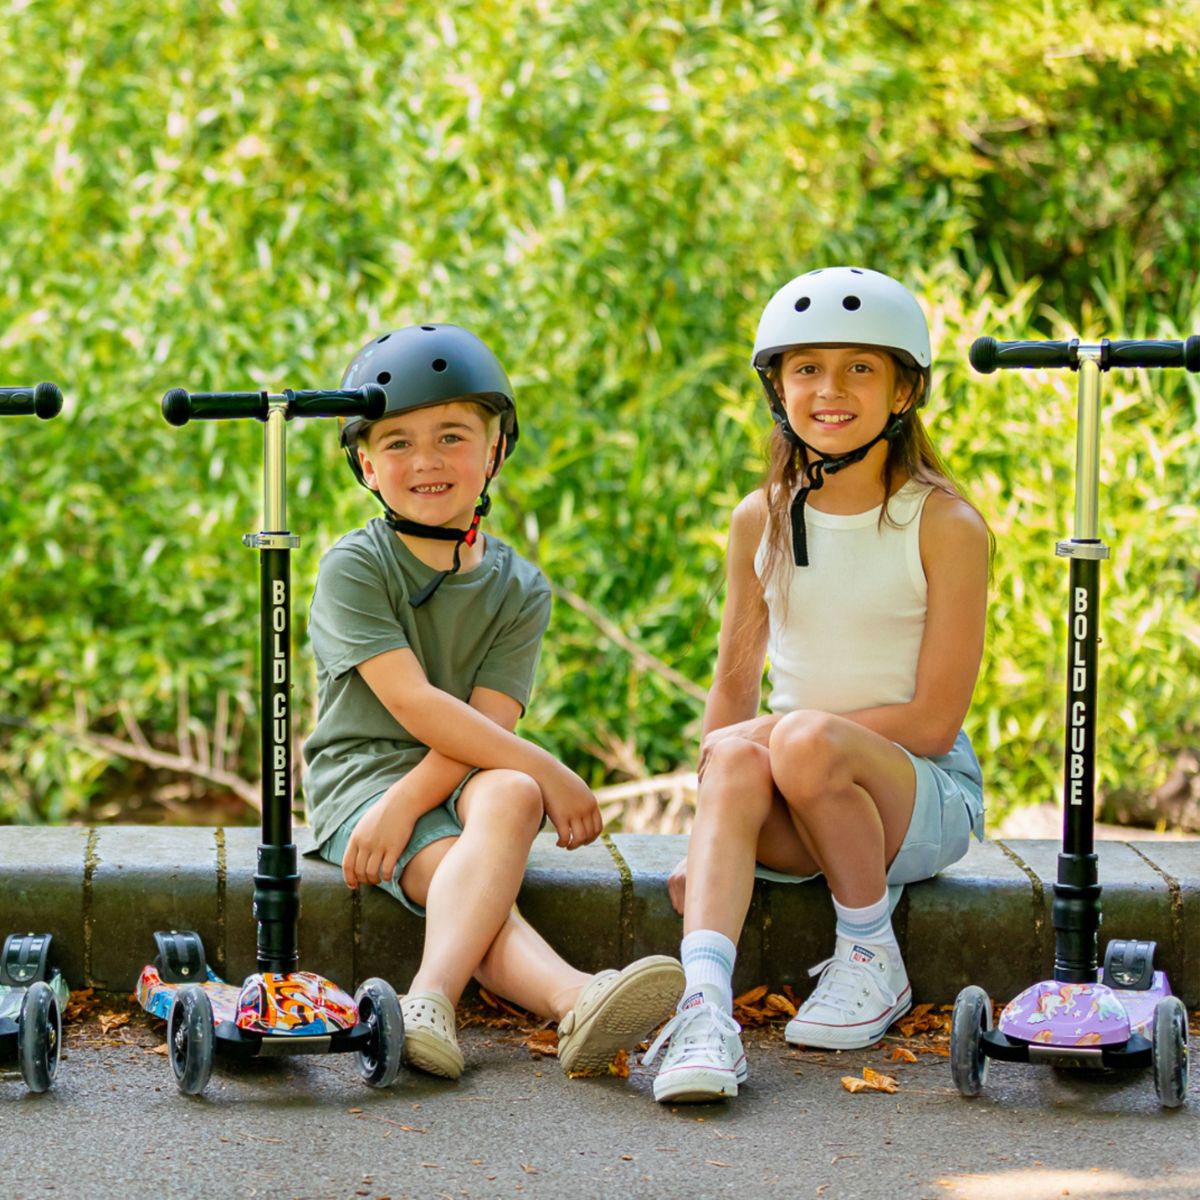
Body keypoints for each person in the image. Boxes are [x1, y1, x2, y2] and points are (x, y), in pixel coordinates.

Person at [644, 268, 989, 1104]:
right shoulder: (759, 517)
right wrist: (710, 828)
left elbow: (934, 723)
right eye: (807, 369)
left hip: (919, 796)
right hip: (800, 787)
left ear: (904, 389)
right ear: (778, 388)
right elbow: (733, 689)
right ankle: (704, 1010)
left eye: (859, 368)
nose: (830, 390)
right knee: (740, 757)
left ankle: (872, 954)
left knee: (792, 736)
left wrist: (769, 735)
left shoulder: (944, 524)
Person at [303, 323, 683, 1081]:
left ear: (494, 450)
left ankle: (432, 1000)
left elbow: (485, 727)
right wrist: (544, 770)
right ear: (367, 465)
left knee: (511, 791)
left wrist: (523, 774)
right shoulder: (355, 566)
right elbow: (417, 706)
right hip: (366, 784)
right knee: (470, 869)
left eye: (451, 436)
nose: (427, 460)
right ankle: (570, 998)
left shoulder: (519, 587)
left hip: (466, 768)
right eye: (399, 443)